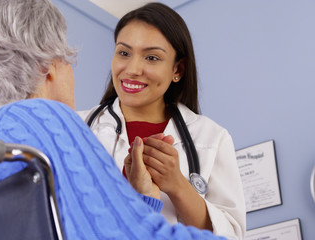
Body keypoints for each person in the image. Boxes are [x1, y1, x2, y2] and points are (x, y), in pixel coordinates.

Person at [0, 0, 226, 239]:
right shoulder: (44, 118)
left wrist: (139, 204)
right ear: (49, 67)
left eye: (151, 57)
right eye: (68, 61)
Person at [78, 2, 246, 239]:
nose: (133, 69)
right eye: (124, 53)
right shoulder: (77, 127)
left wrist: (177, 185)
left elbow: (230, 235)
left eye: (152, 58)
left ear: (177, 69)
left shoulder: (210, 138)